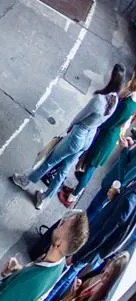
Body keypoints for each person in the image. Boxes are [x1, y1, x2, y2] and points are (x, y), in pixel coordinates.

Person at [12, 64, 125, 209]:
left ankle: (26, 180)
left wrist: (68, 129)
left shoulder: (99, 99)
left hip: (79, 134)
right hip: (88, 138)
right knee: (65, 169)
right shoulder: (114, 100)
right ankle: (45, 198)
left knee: (50, 160)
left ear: (111, 77)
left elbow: (79, 117)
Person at [65, 71, 136, 206]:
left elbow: (111, 122)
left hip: (106, 138)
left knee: (91, 167)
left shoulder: (129, 103)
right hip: (109, 137)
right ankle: (75, 190)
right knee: (89, 164)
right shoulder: (131, 99)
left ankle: (72, 197)